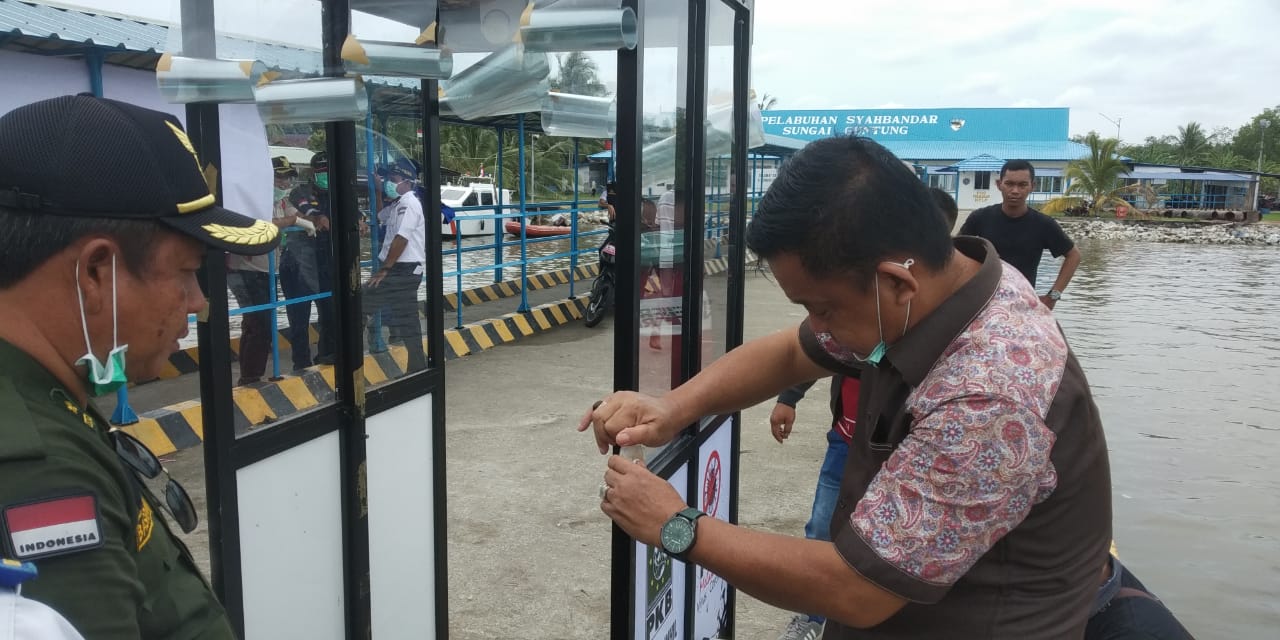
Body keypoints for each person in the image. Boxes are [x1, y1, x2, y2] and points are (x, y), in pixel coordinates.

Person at [582, 135, 1116, 638]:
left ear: (896, 283)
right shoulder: (942, 285)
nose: (819, 325)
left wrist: (677, 524)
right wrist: (672, 407)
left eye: (823, 307)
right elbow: (793, 352)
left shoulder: (988, 398)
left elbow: (860, 588)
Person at [0, 94, 279, 638]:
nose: (198, 301)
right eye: (187, 271)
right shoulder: (36, 467)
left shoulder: (46, 397)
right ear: (96, 272)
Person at [226, 156, 310, 385]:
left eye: (287, 178)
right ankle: (251, 377)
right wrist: (290, 221)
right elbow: (264, 223)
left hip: (264, 270)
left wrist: (300, 219)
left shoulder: (280, 202)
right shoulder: (252, 200)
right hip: (245, 269)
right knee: (258, 323)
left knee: (258, 322)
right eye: (280, 177)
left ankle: (251, 374)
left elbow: (298, 216)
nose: (284, 183)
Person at [958, 159, 1081, 309]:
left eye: (1022, 185)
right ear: (999, 185)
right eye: (1009, 184)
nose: (1015, 191)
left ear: (1032, 186)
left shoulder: (1044, 224)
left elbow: (1074, 256)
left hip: (1024, 304)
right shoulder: (980, 218)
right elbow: (954, 250)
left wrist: (1053, 296)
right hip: (982, 302)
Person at [365, 158, 427, 374]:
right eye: (388, 179)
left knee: (362, 302)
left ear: (407, 181)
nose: (389, 182)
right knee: (407, 318)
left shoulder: (410, 204)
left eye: (393, 179)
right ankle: (418, 366)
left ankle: (346, 356)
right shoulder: (397, 204)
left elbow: (402, 238)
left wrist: (385, 269)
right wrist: (379, 190)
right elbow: (381, 216)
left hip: (402, 270)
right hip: (401, 269)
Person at [286, 152, 337, 368]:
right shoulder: (301, 191)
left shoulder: (337, 192)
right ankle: (301, 362)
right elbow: (305, 206)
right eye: (320, 172)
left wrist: (360, 220)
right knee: (299, 318)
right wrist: (317, 216)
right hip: (297, 264)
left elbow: (354, 212)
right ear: (313, 173)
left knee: (330, 312)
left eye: (328, 171)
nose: (325, 175)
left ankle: (326, 355)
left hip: (324, 263)